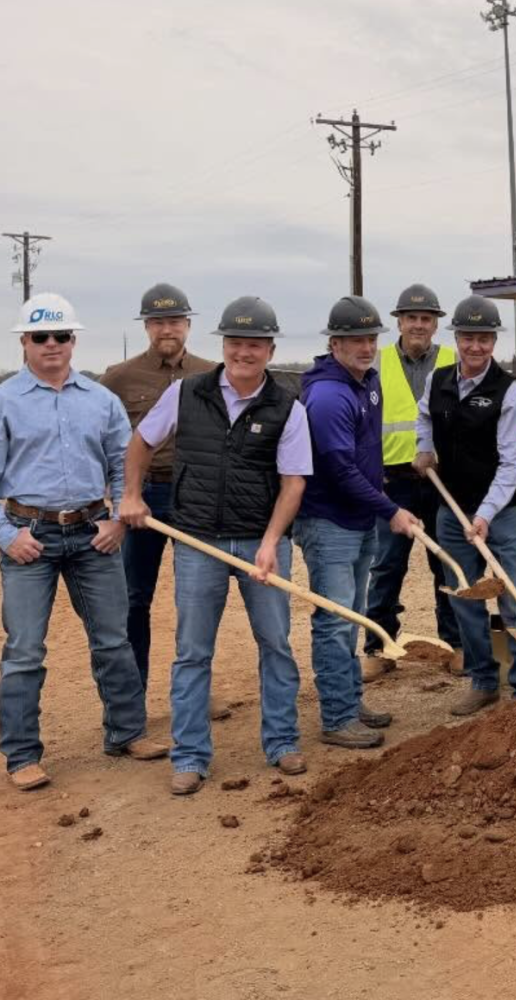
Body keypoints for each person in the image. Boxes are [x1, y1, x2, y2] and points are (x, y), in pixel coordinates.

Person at [0, 293, 167, 791]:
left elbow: (123, 465)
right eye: (40, 336)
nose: (52, 345)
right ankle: (22, 756)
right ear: (24, 342)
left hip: (94, 534)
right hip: (30, 538)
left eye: (62, 336)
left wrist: (118, 518)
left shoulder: (100, 401)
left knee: (114, 639)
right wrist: (6, 537)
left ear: (74, 341)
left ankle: (127, 732)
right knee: (25, 649)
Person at [118, 297, 312, 794]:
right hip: (197, 540)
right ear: (223, 345)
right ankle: (189, 755)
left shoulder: (287, 405)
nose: (243, 353)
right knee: (192, 652)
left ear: (269, 349)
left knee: (275, 645)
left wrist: (271, 543)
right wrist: (133, 494)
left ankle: (283, 741)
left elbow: (293, 483)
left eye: (254, 345)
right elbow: (141, 443)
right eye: (235, 343)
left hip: (258, 541)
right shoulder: (187, 394)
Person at [296, 295, 423, 750]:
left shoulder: (367, 381)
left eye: (370, 338)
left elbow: (368, 459)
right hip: (329, 521)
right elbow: (339, 469)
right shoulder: (328, 396)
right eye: (355, 340)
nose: (366, 347)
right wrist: (390, 509)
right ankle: (336, 717)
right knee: (334, 620)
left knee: (351, 618)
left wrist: (379, 506)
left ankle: (349, 702)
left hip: (359, 517)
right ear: (335, 344)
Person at [414, 294, 516, 715]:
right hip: (451, 510)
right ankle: (485, 679)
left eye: (484, 338)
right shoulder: (439, 380)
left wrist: (485, 514)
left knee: (513, 596)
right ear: (456, 337)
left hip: (501, 513)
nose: (475, 346)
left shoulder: (508, 391)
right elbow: (424, 416)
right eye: (468, 337)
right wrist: (424, 447)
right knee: (464, 597)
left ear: (493, 341)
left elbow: (512, 463)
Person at [100, 283, 218, 698]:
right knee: (134, 599)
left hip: (196, 498)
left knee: (197, 599)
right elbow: (102, 440)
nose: (167, 329)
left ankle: (193, 695)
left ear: (187, 325)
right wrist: (114, 497)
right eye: (158, 322)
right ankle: (134, 700)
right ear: (147, 326)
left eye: (175, 321)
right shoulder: (119, 378)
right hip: (142, 499)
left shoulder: (211, 374)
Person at [364, 283, 460, 670]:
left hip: (442, 482)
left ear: (436, 324)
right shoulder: (376, 363)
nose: (418, 325)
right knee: (386, 565)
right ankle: (378, 647)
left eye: (426, 318)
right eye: (411, 318)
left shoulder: (454, 360)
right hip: (392, 483)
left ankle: (456, 645)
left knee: (449, 564)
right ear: (399, 322)